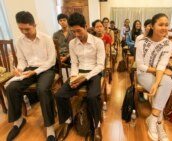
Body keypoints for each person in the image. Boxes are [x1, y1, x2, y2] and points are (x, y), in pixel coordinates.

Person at [5, 11, 57, 141]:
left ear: (35, 25)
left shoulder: (46, 38)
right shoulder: (20, 41)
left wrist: (35, 71)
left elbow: (51, 61)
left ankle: (49, 127)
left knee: (43, 89)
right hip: (29, 70)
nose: (24, 32)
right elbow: (22, 60)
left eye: (27, 29)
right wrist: (18, 69)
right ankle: (18, 121)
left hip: (46, 69)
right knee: (11, 87)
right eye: (20, 29)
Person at [55, 12, 105, 141]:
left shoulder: (98, 42)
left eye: (79, 31)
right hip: (79, 72)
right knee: (60, 94)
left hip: (94, 72)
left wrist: (85, 77)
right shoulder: (72, 43)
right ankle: (67, 120)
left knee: (93, 96)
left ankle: (96, 125)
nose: (77, 35)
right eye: (73, 31)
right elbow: (74, 63)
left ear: (86, 26)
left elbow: (100, 65)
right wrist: (73, 77)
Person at [136, 13, 172, 141]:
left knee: (166, 84)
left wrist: (156, 83)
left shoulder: (168, 43)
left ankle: (154, 120)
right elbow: (140, 66)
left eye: (166, 25)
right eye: (161, 24)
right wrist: (158, 71)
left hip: (158, 74)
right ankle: (159, 124)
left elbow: (162, 65)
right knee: (165, 84)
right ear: (152, 26)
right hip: (144, 74)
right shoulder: (142, 42)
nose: (164, 27)